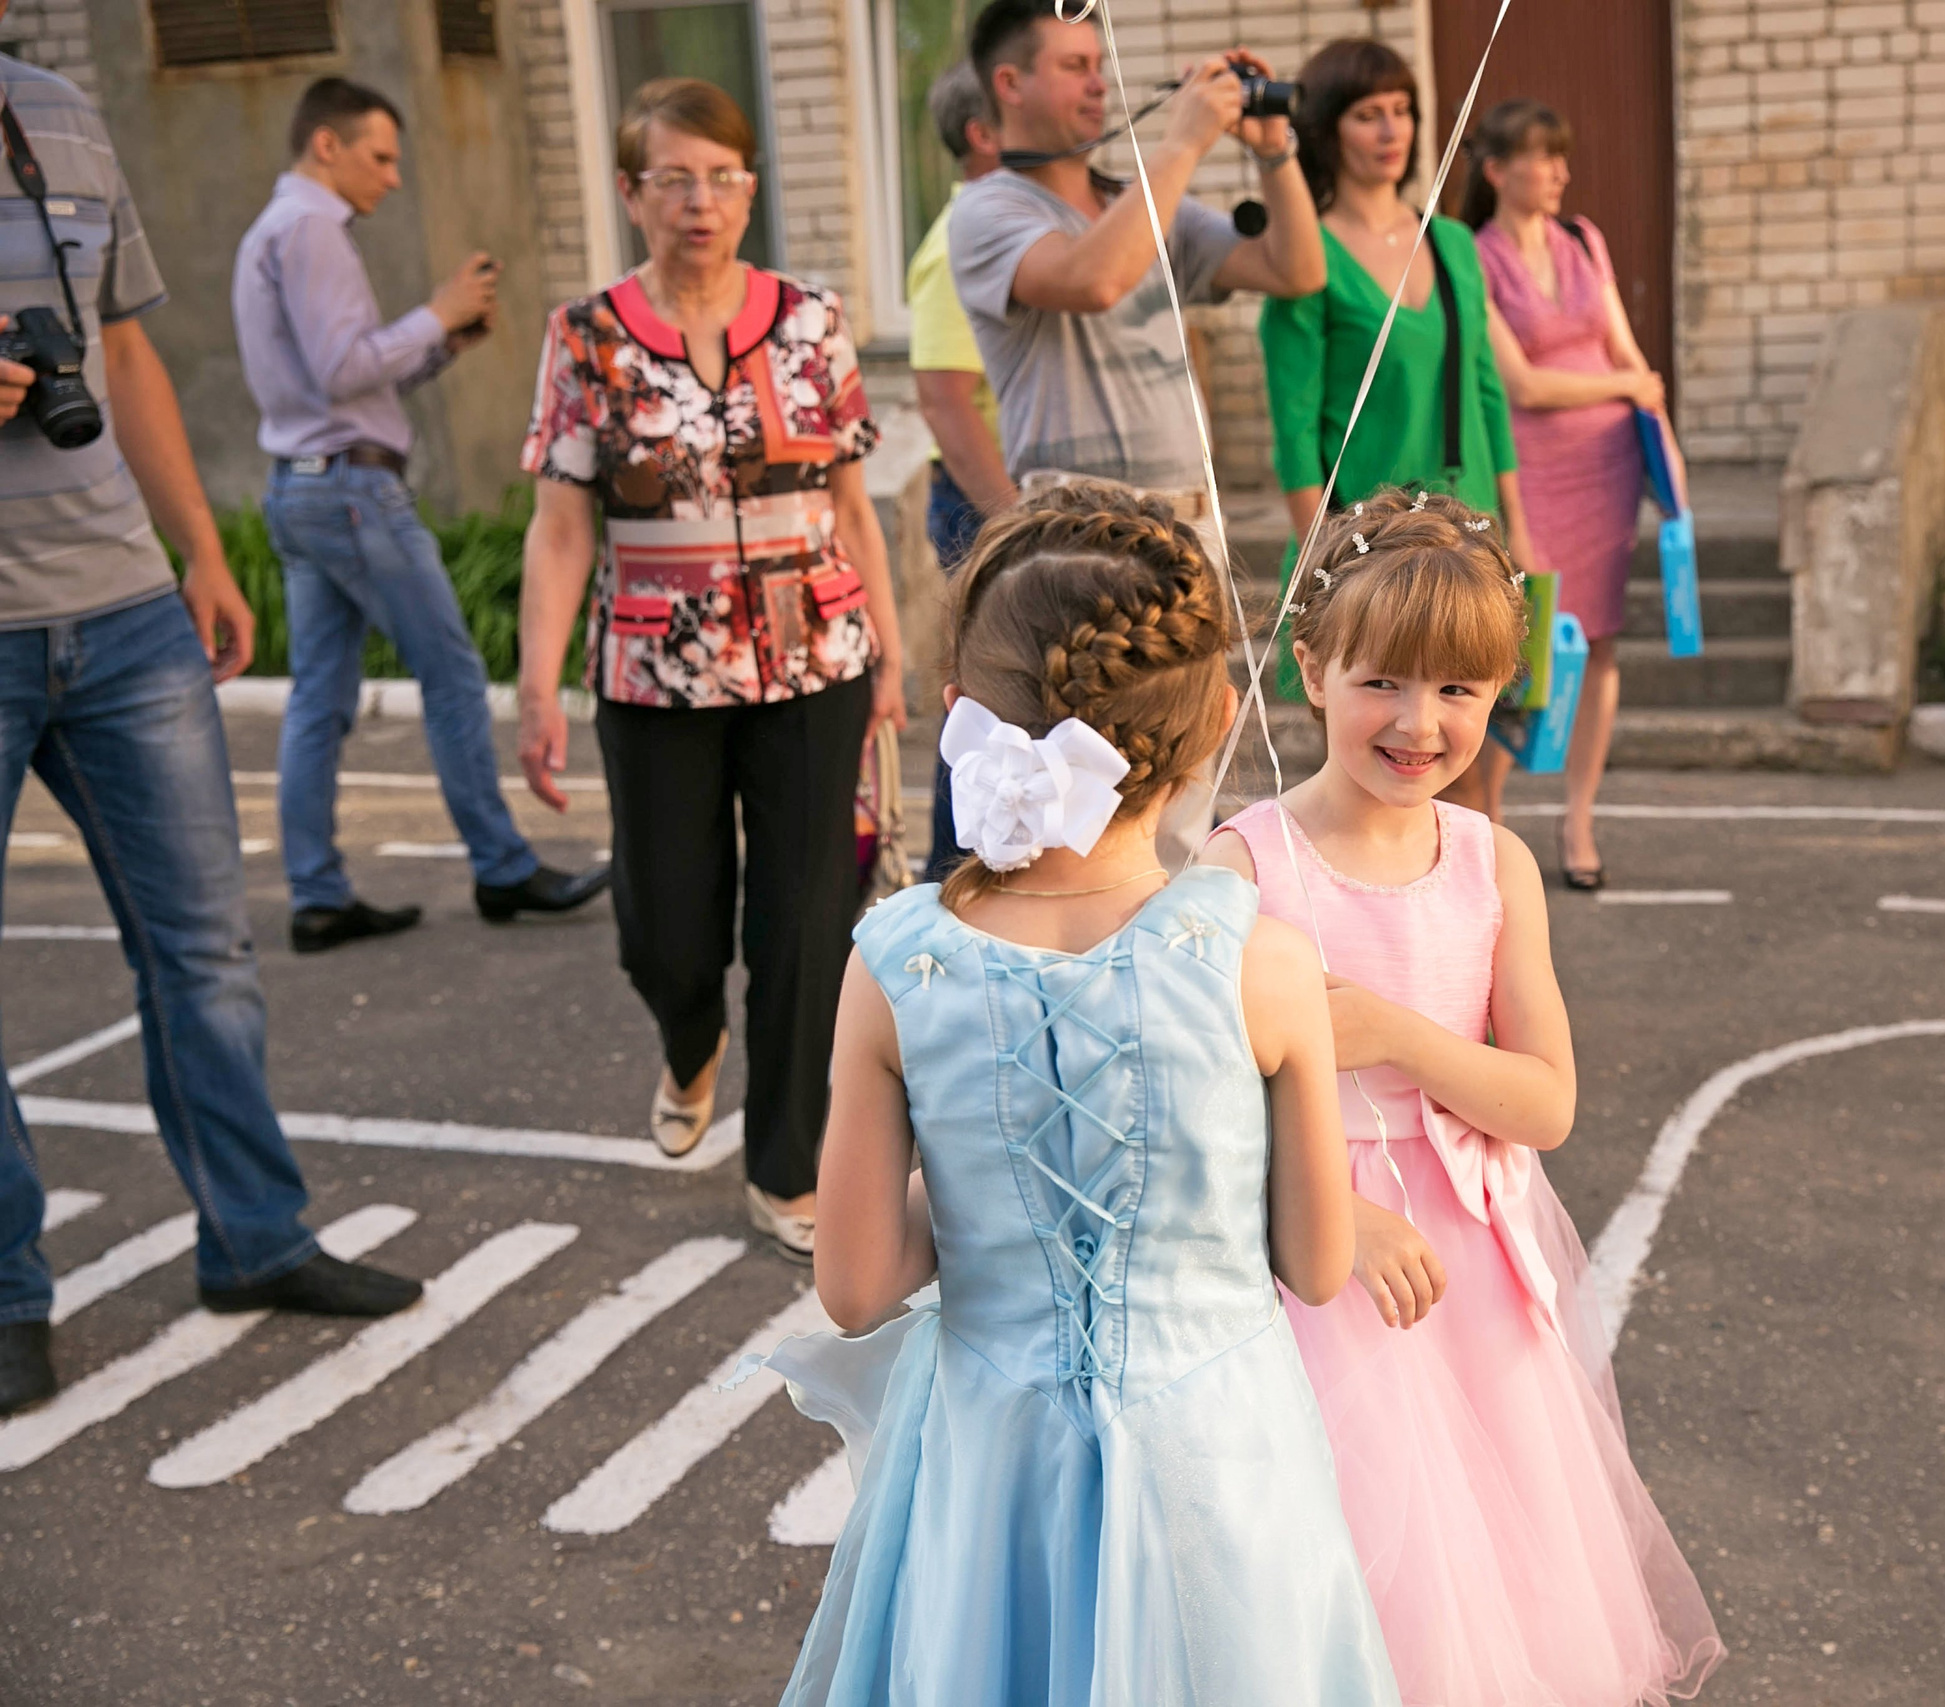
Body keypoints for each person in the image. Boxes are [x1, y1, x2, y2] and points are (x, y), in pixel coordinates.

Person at [749, 482, 1400, 1705]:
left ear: (960, 717)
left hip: (989, 1466)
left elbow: (852, 1287)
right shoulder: (1261, 960)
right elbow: (1314, 1263)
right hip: (1213, 1458)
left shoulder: (896, 963)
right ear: (1215, 720)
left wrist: (986, 1199)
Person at [1202, 491, 1722, 1705]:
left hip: (1473, 1270)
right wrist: (1330, 1207)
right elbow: (1203, 1110)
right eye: (1382, 681)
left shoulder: (1493, 865)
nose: (1418, 723)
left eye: (1458, 693)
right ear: (1313, 667)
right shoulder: (1247, 865)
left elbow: (1542, 1104)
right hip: (1312, 1262)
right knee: (1336, 1557)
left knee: (1495, 1575)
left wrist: (1391, 1033)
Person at [1, 33, 423, 1419]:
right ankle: (9, 1287)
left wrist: (197, 544)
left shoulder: (59, 114)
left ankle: (256, 1237)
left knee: (206, 953)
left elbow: (123, 348)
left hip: (120, 607)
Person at [514, 78, 906, 1262]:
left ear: (749, 191)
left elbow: (850, 500)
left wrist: (888, 655)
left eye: (723, 176)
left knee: (806, 920)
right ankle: (690, 1043)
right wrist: (538, 685)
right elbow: (562, 526)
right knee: (665, 922)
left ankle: (787, 1163)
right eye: (673, 177)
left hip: (813, 658)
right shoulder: (585, 335)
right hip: (653, 672)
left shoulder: (810, 321)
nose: (701, 200)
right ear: (631, 193)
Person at [233, 77, 608, 953]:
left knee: (318, 699)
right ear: (326, 145)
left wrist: (436, 345)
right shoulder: (313, 228)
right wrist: (433, 314)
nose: (394, 178)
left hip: (301, 483)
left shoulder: (273, 229)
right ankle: (503, 867)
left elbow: (345, 379)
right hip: (352, 493)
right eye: (381, 156)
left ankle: (319, 891)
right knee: (451, 673)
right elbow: (341, 370)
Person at [950, 0, 1324, 863]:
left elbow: (1295, 270)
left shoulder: (1135, 201)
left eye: (1098, 62)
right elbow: (1092, 277)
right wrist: (1186, 139)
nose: (1100, 81)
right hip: (1072, 526)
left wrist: (1275, 155)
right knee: (1075, 781)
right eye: (1075, 65)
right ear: (1009, 83)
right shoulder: (985, 211)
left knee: (1184, 770)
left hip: (1183, 518)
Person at [1257, 38, 1539, 693]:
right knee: (1369, 755)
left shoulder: (1453, 242)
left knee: (1471, 742)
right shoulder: (1306, 257)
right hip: (1361, 542)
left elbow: (1487, 391)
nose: (1392, 130)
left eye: (1402, 109)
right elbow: (1294, 429)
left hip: (1467, 525)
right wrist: (1319, 558)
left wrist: (1519, 526)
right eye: (1367, 113)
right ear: (1327, 131)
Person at [1465, 99, 1668, 886]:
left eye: (1561, 157)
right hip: (1534, 474)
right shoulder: (1473, 255)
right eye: (1541, 157)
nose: (1558, 173)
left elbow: (1626, 344)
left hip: (1609, 469)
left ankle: (1579, 821)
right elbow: (1521, 382)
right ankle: (1489, 825)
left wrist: (1654, 428)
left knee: (1603, 642)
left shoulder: (1585, 240)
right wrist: (1624, 382)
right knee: (1515, 646)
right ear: (1495, 170)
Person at [907, 61, 1014, 882]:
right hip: (988, 505)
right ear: (985, 133)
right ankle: (956, 887)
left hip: (1001, 501)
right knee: (982, 712)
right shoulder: (957, 242)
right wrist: (1016, 520)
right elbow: (947, 401)